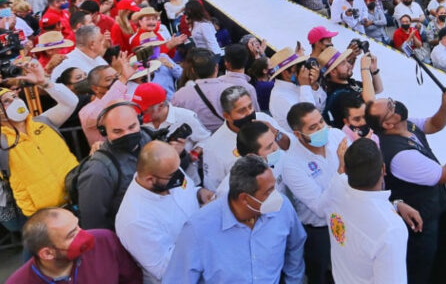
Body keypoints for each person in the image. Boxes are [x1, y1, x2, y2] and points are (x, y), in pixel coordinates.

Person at [366, 89, 446, 284]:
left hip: (432, 206)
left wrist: (445, 107)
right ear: (387, 124)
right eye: (391, 107)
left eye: (391, 101)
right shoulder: (400, 155)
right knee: (420, 266)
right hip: (420, 220)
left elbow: (433, 124)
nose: (396, 104)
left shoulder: (406, 124)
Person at [162, 155, 306, 284]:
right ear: (245, 198)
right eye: (268, 191)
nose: (275, 195)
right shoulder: (198, 230)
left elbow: (295, 246)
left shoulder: (282, 208)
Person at [0, 62, 79, 217]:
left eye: (15, 96)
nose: (15, 101)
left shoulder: (42, 122)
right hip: (45, 214)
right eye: (6, 101)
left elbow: (71, 102)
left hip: (79, 195)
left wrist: (44, 83)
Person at [115, 141, 213, 284]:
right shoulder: (135, 220)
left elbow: (188, 190)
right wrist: (205, 222)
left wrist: (199, 193)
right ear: (150, 179)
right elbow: (166, 269)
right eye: (173, 175)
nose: (179, 176)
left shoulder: (168, 172)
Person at [322, 138, 415, 284]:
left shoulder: (337, 185)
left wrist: (395, 205)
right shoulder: (391, 229)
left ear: (345, 169)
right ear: (383, 169)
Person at [283, 102, 348, 284]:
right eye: (313, 127)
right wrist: (341, 170)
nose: (321, 128)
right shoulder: (292, 165)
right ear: (298, 134)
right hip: (320, 231)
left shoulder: (336, 136)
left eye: (321, 122)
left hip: (349, 219)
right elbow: (320, 208)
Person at [75, 101, 161, 230]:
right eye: (117, 131)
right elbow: (93, 225)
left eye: (132, 127)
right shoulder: (98, 171)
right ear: (104, 132)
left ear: (140, 121)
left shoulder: (149, 137)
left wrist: (181, 154)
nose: (127, 134)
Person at [5, 207, 141, 284]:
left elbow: (133, 279)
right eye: (71, 235)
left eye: (78, 226)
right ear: (47, 253)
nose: (85, 236)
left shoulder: (105, 241)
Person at [201, 86, 286, 191]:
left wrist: (275, 133)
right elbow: (214, 188)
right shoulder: (213, 148)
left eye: (250, 106)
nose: (249, 113)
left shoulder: (263, 119)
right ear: (227, 116)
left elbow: (288, 145)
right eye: (242, 111)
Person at [319, 45, 381, 127]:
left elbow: (377, 89)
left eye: (346, 61)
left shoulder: (349, 82)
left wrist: (374, 71)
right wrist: (364, 69)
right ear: (333, 72)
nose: (349, 65)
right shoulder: (337, 94)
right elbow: (370, 101)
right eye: (343, 64)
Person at [171, 48, 226, 132]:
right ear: (216, 67)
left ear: (192, 70)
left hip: (198, 141)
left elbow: (175, 119)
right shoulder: (230, 89)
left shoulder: (179, 95)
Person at [267, 47, 317, 133]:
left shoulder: (295, 85)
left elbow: (320, 107)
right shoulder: (280, 97)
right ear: (286, 73)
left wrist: (313, 85)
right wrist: (305, 86)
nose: (302, 70)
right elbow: (311, 118)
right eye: (297, 68)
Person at [213, 43, 260, 111]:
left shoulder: (218, 81)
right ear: (246, 60)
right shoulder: (249, 88)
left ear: (226, 63)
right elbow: (256, 112)